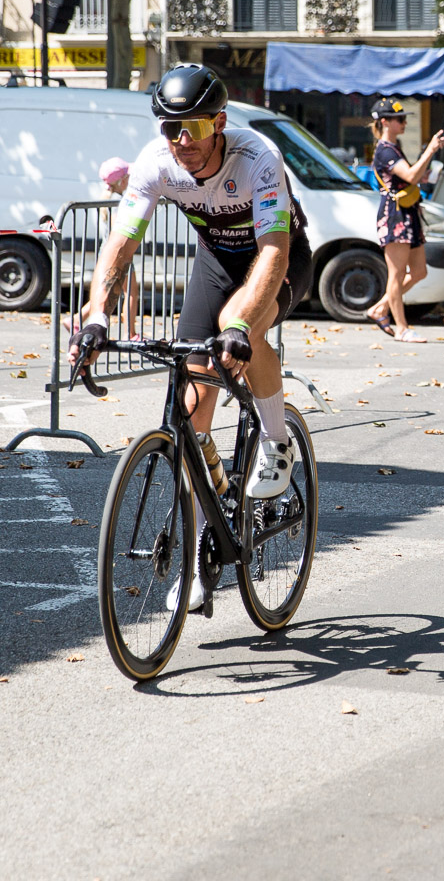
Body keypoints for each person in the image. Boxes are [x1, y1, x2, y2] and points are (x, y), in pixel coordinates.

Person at [69, 63, 314, 610]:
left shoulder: (258, 158)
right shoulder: (157, 162)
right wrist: (96, 314)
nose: (183, 142)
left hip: (277, 258)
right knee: (194, 396)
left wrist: (239, 326)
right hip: (217, 261)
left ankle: (275, 439)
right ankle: (202, 551)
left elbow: (273, 251)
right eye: (171, 129)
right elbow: (122, 240)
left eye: (196, 128)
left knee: (248, 335)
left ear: (220, 123)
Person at [367, 97, 444, 343]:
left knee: (419, 271)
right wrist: (430, 150)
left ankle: (380, 308)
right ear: (385, 122)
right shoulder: (385, 150)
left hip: (408, 212)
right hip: (395, 215)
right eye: (399, 119)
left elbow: (412, 177)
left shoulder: (395, 147)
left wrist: (429, 172)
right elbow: (410, 175)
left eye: (404, 118)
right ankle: (401, 328)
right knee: (397, 274)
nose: (404, 123)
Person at [94, 157, 142, 340]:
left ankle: (75, 321)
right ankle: (130, 334)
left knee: (106, 293)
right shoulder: (119, 202)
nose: (130, 179)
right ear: (122, 181)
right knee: (130, 292)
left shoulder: (110, 198)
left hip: (107, 252)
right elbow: (118, 232)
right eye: (128, 176)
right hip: (118, 253)